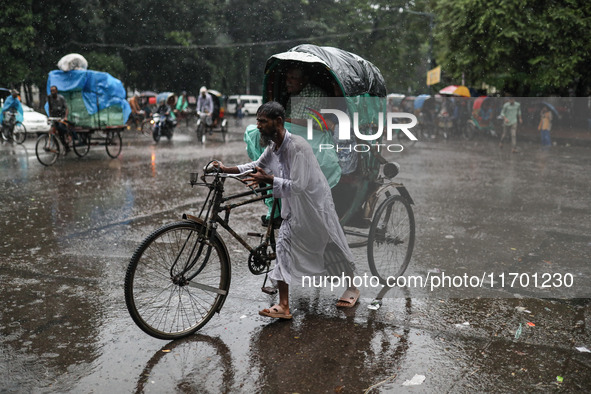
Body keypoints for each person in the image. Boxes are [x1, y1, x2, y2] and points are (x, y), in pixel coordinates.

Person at [214, 102, 360, 319]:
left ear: (278, 122)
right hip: (294, 207)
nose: (259, 126)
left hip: (314, 204)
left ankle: (353, 287)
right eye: (258, 121)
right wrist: (226, 169)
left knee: (331, 243)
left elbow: (299, 185)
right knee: (283, 245)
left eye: (263, 122)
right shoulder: (274, 146)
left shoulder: (297, 146)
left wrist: (268, 178)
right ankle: (284, 306)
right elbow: (256, 165)